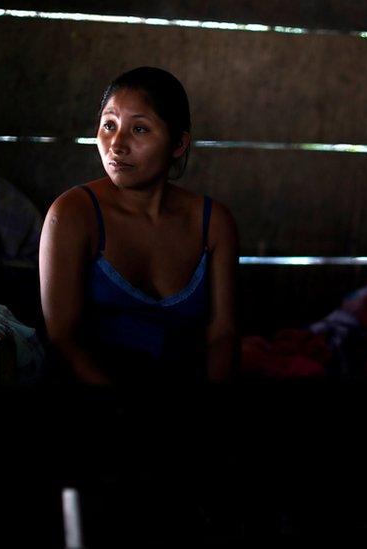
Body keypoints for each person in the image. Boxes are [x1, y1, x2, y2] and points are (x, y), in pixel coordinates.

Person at [40, 67, 238, 384]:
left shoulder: (213, 224)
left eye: (140, 130)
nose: (116, 144)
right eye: (109, 125)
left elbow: (223, 336)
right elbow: (64, 340)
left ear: (178, 143)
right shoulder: (73, 215)